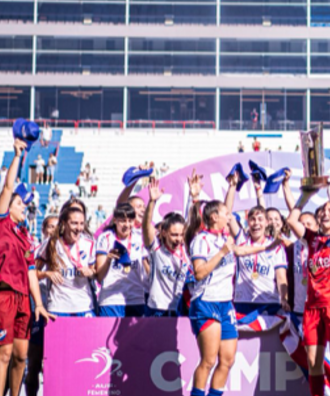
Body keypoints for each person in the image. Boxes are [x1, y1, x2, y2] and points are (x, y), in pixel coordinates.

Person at [0, 138, 53, 396]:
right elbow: (7, 187)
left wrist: (39, 303)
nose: (23, 206)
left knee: (21, 356)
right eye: (19, 203)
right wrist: (17, 157)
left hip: (24, 299)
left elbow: (31, 272)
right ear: (6, 207)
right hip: (2, 295)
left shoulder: (25, 235)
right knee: (3, 353)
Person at [285, 180, 330, 396]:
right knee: (313, 360)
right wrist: (304, 197)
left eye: (329, 211)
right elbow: (290, 220)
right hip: (312, 307)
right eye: (322, 211)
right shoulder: (312, 239)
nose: (326, 214)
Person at [185, 170, 245, 396]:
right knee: (208, 360)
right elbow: (199, 273)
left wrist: (232, 187)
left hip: (225, 303)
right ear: (213, 218)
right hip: (206, 302)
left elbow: (225, 211)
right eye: (224, 214)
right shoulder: (202, 240)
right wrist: (222, 252)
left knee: (227, 360)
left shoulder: (223, 238)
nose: (229, 216)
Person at [36, 206, 97, 318]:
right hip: (58, 307)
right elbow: (32, 272)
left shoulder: (90, 243)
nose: (78, 228)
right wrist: (47, 274)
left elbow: (95, 272)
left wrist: (90, 272)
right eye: (74, 223)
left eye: (81, 223)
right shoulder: (51, 243)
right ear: (63, 223)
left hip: (84, 306)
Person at [143, 179, 189, 317]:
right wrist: (152, 202)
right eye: (174, 235)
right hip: (157, 309)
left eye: (181, 235)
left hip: (180, 308)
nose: (178, 239)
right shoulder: (156, 248)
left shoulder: (186, 249)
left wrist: (194, 197)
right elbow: (146, 226)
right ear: (163, 232)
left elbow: (193, 223)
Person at [94, 203, 145, 317]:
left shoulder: (140, 237)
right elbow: (99, 277)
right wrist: (108, 260)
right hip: (111, 300)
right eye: (122, 221)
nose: (127, 225)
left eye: (130, 220)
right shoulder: (105, 238)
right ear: (115, 221)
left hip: (136, 299)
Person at [26, 216, 58, 396]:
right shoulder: (37, 249)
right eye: (50, 227)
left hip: (57, 310)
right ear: (43, 229)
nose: (53, 231)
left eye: (56, 227)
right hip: (37, 309)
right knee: (34, 362)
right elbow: (30, 274)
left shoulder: (63, 249)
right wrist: (46, 274)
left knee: (54, 363)